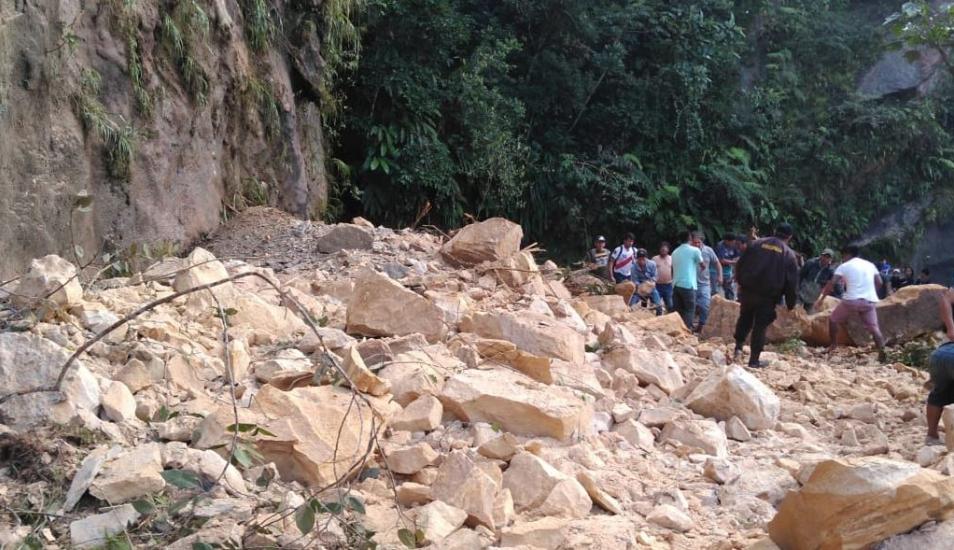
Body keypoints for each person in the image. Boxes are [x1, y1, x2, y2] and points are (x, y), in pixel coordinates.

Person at [733, 223, 799, 368]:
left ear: (775, 231)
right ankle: (754, 360)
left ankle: (738, 348)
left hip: (748, 291)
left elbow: (740, 264)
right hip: (768, 297)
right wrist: (791, 303)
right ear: (789, 237)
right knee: (760, 326)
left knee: (745, 317)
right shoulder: (789, 254)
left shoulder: (755, 244)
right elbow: (792, 283)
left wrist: (740, 282)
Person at [815, 245, 886, 362]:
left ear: (847, 254)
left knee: (833, 319)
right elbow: (879, 282)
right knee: (874, 328)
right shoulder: (870, 265)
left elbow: (832, 283)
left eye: (843, 256)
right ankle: (882, 353)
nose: (842, 258)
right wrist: (869, 293)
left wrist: (821, 299)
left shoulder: (844, 266)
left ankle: (833, 345)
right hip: (869, 302)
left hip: (851, 300)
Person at [926, 290, 954, 445]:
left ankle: (932, 436)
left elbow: (946, 298)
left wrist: (951, 328)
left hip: (940, 354)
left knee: (938, 394)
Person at [671, 231, 704, 330]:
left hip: (676, 284)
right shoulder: (695, 250)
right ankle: (686, 330)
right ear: (690, 239)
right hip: (688, 284)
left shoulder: (674, 252)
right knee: (689, 309)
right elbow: (702, 265)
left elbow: (672, 269)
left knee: (678, 310)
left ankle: (677, 329)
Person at [692, 234, 722, 333]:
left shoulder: (708, 250)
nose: (697, 244)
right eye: (695, 242)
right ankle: (689, 326)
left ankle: (701, 326)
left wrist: (720, 276)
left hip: (704, 283)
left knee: (705, 306)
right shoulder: (689, 251)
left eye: (698, 242)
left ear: (702, 242)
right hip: (691, 283)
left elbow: (717, 263)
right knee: (691, 306)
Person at [798, 248, 837, 312]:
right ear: (821, 255)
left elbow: (832, 284)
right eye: (824, 256)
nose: (825, 259)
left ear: (831, 260)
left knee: (807, 315)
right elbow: (800, 276)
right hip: (801, 292)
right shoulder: (810, 263)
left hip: (813, 296)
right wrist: (796, 289)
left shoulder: (830, 271)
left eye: (828, 257)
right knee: (795, 311)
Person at [632, 249, 663, 315]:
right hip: (639, 288)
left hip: (650, 286)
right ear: (637, 259)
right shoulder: (633, 267)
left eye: (643, 258)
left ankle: (659, 317)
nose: (641, 261)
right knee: (631, 305)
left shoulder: (652, 264)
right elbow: (635, 280)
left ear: (646, 258)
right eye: (640, 259)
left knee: (658, 306)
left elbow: (655, 276)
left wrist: (650, 283)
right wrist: (641, 287)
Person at [715, 233, 740, 300]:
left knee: (729, 290)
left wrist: (735, 261)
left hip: (728, 271)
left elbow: (737, 256)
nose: (733, 244)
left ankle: (731, 303)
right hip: (717, 271)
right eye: (732, 242)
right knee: (716, 291)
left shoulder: (734, 245)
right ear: (726, 241)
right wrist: (733, 262)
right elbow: (721, 260)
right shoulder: (720, 246)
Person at [652, 243, 674, 312]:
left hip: (668, 285)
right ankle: (658, 317)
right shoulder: (654, 259)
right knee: (658, 306)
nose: (663, 250)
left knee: (670, 305)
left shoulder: (671, 258)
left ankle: (670, 317)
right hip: (657, 285)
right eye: (662, 249)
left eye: (665, 249)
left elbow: (674, 270)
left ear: (668, 250)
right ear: (659, 249)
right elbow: (650, 271)